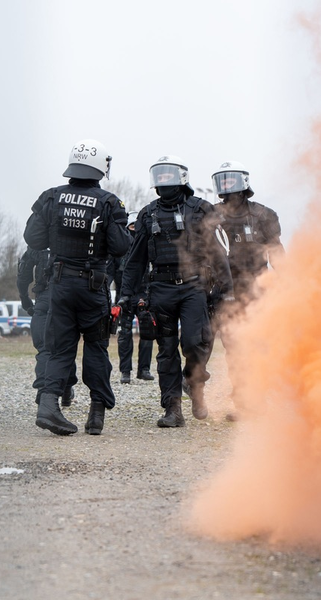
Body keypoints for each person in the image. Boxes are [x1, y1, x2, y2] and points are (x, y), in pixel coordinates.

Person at [23, 138, 130, 436]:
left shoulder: (51, 197)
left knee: (58, 349)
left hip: (58, 285)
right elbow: (121, 246)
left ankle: (48, 406)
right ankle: (96, 415)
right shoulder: (108, 202)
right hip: (92, 287)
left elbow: (33, 239)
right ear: (100, 168)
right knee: (96, 347)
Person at [121, 156, 233, 428]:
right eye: (158, 175)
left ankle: (195, 387)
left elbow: (218, 253)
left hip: (194, 287)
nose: (163, 180)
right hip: (160, 289)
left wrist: (227, 290)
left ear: (181, 177)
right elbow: (135, 259)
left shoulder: (201, 209)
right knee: (166, 351)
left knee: (196, 343)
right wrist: (127, 293)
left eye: (168, 175)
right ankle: (173, 409)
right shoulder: (148, 214)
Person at [212, 161, 284, 305]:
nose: (226, 186)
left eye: (230, 181)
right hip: (224, 285)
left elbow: (276, 251)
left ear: (243, 182)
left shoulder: (263, 214)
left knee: (258, 324)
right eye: (223, 182)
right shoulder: (211, 215)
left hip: (257, 283)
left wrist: (286, 277)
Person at [17, 245, 78, 406]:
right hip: (67, 296)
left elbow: (23, 274)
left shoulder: (38, 244)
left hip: (44, 297)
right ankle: (65, 389)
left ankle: (44, 391)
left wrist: (25, 300)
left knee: (45, 347)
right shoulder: (72, 237)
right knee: (66, 346)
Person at [108, 211, 154, 384]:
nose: (134, 229)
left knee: (148, 332)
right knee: (124, 334)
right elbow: (109, 273)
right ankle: (125, 371)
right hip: (124, 297)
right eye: (132, 226)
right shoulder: (119, 248)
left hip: (144, 295)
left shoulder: (149, 245)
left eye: (137, 226)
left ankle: (144, 369)